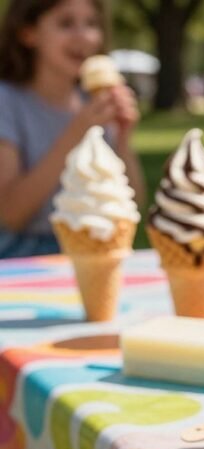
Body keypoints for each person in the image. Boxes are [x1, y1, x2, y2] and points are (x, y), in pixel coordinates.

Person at [0, 0, 143, 259]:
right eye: (66, 23)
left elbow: (131, 205)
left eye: (92, 23)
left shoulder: (94, 104)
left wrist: (123, 139)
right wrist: (76, 133)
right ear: (28, 33)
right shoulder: (7, 102)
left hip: (93, 247)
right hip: (21, 255)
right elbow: (11, 214)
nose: (85, 36)